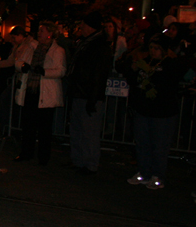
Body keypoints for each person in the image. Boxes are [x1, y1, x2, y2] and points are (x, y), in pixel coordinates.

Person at [120, 34, 188, 189]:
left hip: (162, 113)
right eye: (151, 48)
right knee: (143, 143)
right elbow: (132, 79)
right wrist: (132, 69)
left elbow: (170, 81)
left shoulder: (170, 64)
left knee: (159, 145)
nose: (153, 51)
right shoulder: (146, 62)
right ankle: (143, 172)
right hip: (144, 110)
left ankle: (158, 175)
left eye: (157, 48)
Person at [13, 21, 66, 166]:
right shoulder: (32, 47)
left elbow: (60, 70)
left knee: (44, 128)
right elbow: (18, 61)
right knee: (28, 125)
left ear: (50, 33)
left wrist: (44, 72)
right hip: (31, 89)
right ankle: (26, 152)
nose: (39, 33)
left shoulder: (57, 50)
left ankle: (43, 157)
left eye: (42, 31)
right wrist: (23, 66)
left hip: (45, 93)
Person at [67, 11, 113, 175]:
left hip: (88, 94)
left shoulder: (99, 45)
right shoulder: (88, 42)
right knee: (78, 130)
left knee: (89, 132)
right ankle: (79, 160)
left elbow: (98, 74)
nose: (81, 27)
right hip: (81, 92)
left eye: (83, 24)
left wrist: (93, 98)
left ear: (89, 26)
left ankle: (90, 163)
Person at [0, 26, 34, 138]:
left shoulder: (28, 46)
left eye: (14, 37)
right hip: (19, 79)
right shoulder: (20, 46)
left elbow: (13, 63)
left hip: (22, 79)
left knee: (9, 101)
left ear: (21, 36)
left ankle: (9, 129)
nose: (12, 40)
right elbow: (10, 62)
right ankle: (9, 129)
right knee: (12, 102)